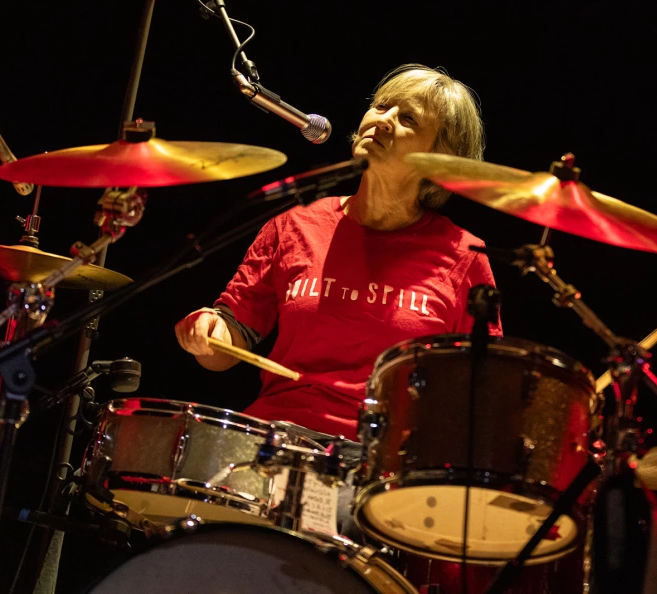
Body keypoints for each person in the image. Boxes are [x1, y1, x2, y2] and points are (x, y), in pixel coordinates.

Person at [174, 63, 503, 443]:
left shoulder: (465, 256)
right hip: (275, 441)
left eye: (408, 118)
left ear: (442, 158)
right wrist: (208, 332)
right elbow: (228, 345)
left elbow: (481, 388)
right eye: (381, 107)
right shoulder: (295, 224)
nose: (383, 120)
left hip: (382, 466)